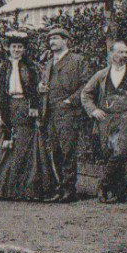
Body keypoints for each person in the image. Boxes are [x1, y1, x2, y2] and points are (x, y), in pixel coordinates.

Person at [79, 39, 127, 203]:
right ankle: (118, 192)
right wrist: (93, 110)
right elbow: (86, 94)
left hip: (126, 118)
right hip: (106, 118)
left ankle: (102, 185)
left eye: (126, 52)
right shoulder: (101, 75)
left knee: (120, 152)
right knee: (108, 154)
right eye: (121, 52)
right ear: (112, 54)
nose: (124, 55)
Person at [0, 30, 48, 201]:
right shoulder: (0, 68)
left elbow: (41, 89)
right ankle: (6, 191)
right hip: (8, 108)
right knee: (7, 149)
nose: (16, 50)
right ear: (8, 48)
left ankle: (28, 190)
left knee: (26, 147)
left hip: (26, 109)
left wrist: (37, 105)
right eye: (13, 46)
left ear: (24, 49)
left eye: (20, 47)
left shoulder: (34, 67)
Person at [40, 27, 89, 203]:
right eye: (50, 39)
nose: (52, 42)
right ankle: (60, 187)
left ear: (66, 40)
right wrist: (42, 88)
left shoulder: (77, 61)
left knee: (68, 151)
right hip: (51, 111)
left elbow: (86, 85)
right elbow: (45, 83)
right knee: (55, 151)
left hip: (68, 112)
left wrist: (71, 101)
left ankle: (70, 189)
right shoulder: (48, 63)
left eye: (56, 38)